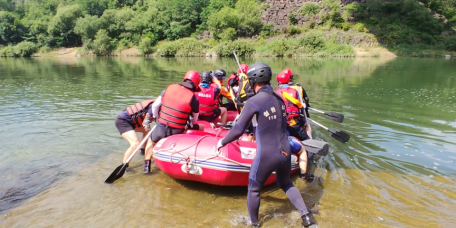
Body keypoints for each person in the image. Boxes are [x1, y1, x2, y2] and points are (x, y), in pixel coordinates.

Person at [216, 62, 315, 227]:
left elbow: (238, 129)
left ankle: (254, 224)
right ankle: (307, 218)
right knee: (285, 183)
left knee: (254, 189)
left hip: (267, 154)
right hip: (286, 151)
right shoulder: (279, 98)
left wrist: (222, 141)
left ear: (254, 80)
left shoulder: (253, 101)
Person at [142, 70, 204, 173]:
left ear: (184, 79)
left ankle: (146, 167)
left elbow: (155, 106)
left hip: (161, 127)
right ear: (197, 84)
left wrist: (157, 117)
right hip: (177, 130)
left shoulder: (169, 88)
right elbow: (195, 119)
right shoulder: (194, 99)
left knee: (151, 141)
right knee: (201, 127)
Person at [276, 70, 314, 180]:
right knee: (308, 144)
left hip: (282, 127)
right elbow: (301, 109)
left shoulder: (275, 93)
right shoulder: (295, 90)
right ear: (289, 80)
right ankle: (306, 171)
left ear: (278, 82)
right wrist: (303, 123)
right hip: (294, 126)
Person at [114, 99, 154, 166]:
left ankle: (142, 151)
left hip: (132, 122)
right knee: (135, 143)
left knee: (148, 132)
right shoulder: (154, 106)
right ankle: (124, 165)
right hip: (123, 121)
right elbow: (146, 123)